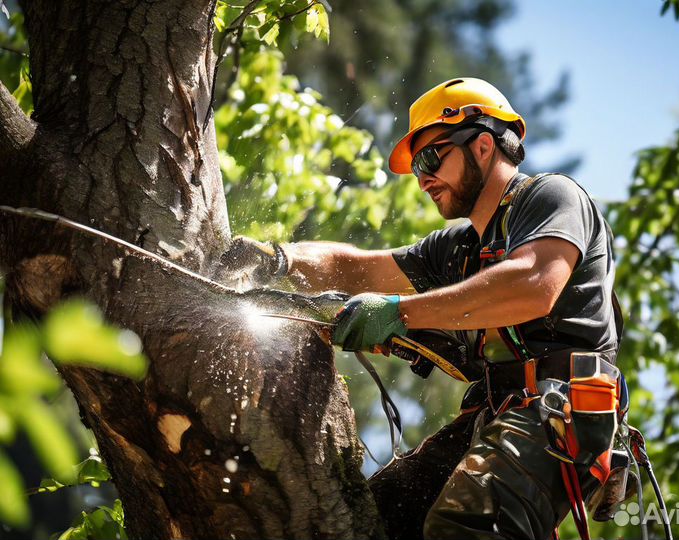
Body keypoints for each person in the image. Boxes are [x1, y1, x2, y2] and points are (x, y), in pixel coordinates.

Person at [237, 78, 624, 540]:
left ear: (483, 146)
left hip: (557, 407)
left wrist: (398, 313)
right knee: (374, 518)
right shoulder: (458, 250)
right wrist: (278, 258)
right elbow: (356, 269)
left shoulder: (550, 197)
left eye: (429, 159)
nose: (421, 179)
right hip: (493, 415)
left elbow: (533, 284)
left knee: (467, 523)